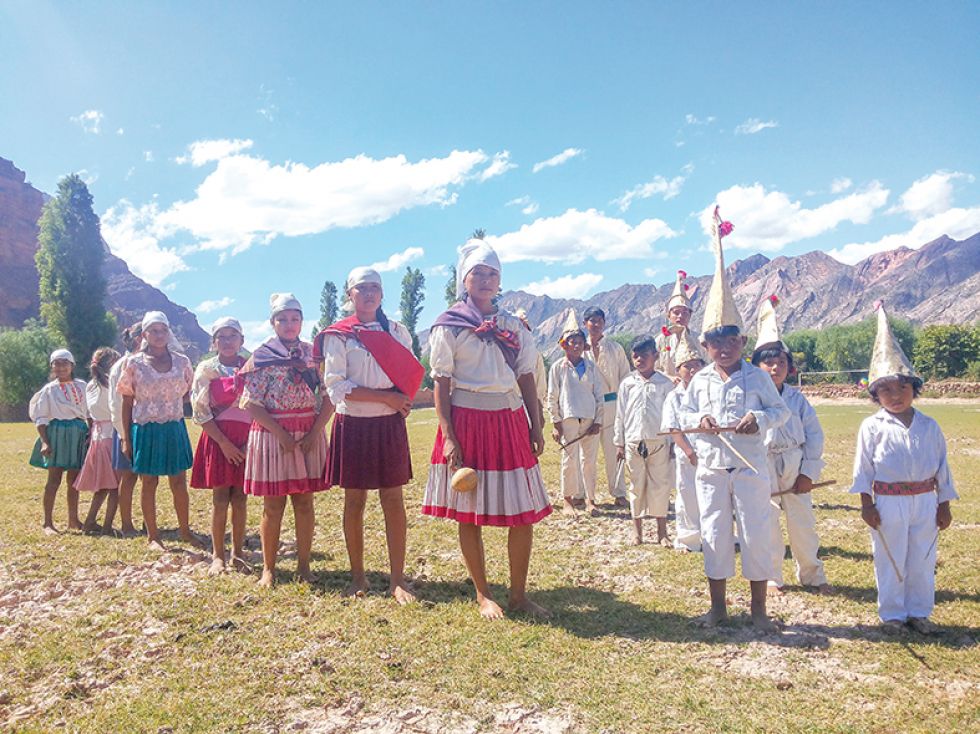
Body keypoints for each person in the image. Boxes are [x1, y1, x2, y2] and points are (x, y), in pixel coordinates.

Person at [422, 239, 552, 620]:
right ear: (465, 280)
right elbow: (441, 382)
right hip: (467, 420)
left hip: (509, 419)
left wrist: (536, 422)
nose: (484, 280)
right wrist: (448, 435)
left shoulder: (513, 326)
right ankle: (483, 593)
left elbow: (526, 376)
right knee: (469, 512)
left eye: (491, 274)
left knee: (523, 511)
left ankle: (518, 595)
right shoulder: (448, 326)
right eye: (477, 273)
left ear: (500, 281)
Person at [678, 208, 789, 631]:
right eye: (715, 342)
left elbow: (778, 412)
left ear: (742, 342)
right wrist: (702, 418)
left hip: (749, 468)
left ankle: (759, 611)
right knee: (714, 535)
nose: (723, 348)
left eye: (730, 340)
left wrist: (756, 419)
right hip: (710, 470)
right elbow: (684, 414)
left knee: (757, 534)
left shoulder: (758, 377)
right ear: (704, 345)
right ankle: (718, 608)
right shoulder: (700, 379)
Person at [315, 267, 424, 604]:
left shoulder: (396, 331)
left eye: (374, 288)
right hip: (354, 424)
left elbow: (408, 372)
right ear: (350, 295)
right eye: (361, 289)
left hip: (389, 423)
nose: (369, 294)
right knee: (355, 501)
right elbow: (336, 386)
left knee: (393, 499)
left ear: (382, 293)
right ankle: (358, 577)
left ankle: (397, 580)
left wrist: (400, 400)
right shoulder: (339, 335)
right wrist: (385, 397)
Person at [850, 303, 957, 634]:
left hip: (925, 500)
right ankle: (893, 615)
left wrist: (944, 504)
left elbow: (942, 467)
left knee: (922, 558)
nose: (895, 396)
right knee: (889, 555)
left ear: (914, 389)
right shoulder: (872, 427)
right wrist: (866, 505)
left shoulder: (929, 425)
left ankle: (919, 612)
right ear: (875, 394)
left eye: (902, 388)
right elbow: (864, 468)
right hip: (887, 501)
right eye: (885, 389)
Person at [241, 293, 333, 587]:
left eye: (295, 318)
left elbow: (329, 396)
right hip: (273, 435)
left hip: (308, 431)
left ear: (302, 321)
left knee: (304, 502)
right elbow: (252, 403)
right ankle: (269, 568)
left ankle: (303, 566)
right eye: (283, 319)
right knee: (273, 504)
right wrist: (280, 434)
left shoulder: (314, 355)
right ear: (272, 322)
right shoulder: (262, 357)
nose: (289, 324)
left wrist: (315, 432)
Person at [751, 296, 831, 595]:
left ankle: (812, 574)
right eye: (768, 362)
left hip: (794, 463)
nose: (774, 368)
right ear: (756, 367)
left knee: (803, 524)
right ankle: (773, 576)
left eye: (780, 362)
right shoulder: (751, 399)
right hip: (763, 465)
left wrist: (807, 473)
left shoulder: (798, 400)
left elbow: (815, 436)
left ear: (789, 367)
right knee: (767, 522)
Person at [118, 311, 203, 551]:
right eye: (153, 331)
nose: (158, 335)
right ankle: (153, 536)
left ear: (168, 333)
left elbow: (190, 392)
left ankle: (185, 531)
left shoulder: (182, 361)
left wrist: (169, 403)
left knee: (178, 482)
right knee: (149, 482)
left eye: (162, 330)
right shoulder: (133, 363)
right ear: (144, 334)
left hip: (174, 427)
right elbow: (126, 401)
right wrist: (126, 438)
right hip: (146, 428)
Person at [190, 317, 251, 575]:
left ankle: (238, 552)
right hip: (219, 438)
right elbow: (201, 411)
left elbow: (261, 403)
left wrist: (250, 443)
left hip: (247, 438)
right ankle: (218, 555)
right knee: (220, 497)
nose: (227, 342)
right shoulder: (206, 369)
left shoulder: (251, 367)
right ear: (214, 342)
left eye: (232, 336)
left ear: (242, 340)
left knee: (240, 497)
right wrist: (225, 444)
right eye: (222, 337)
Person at [614, 335, 675, 545]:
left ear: (656, 356)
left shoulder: (666, 384)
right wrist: (619, 443)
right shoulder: (627, 384)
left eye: (645, 355)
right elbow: (620, 414)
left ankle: (662, 531)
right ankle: (636, 531)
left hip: (658, 442)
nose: (640, 359)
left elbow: (671, 415)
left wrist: (673, 443)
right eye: (636, 355)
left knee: (660, 485)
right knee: (636, 485)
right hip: (633, 441)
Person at [547, 311, 604, 516]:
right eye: (572, 341)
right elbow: (552, 396)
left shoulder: (590, 366)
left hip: (589, 418)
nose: (576, 345)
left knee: (589, 461)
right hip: (568, 418)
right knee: (568, 460)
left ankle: (590, 500)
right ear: (564, 344)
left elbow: (599, 394)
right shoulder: (557, 368)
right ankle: (568, 500)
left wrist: (598, 420)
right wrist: (556, 422)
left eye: (580, 341)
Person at [29, 349, 89, 534]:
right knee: (54, 479)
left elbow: (89, 412)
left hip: (78, 433)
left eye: (65, 363)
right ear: (52, 366)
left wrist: (90, 432)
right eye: (57, 363)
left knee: (73, 479)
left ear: (72, 366)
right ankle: (48, 523)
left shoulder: (82, 386)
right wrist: (45, 441)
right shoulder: (48, 390)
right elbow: (41, 418)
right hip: (56, 433)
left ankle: (73, 519)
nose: (61, 367)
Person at [660, 328, 705, 552]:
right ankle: (688, 537)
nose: (693, 370)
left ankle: (713, 535)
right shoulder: (673, 395)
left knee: (711, 495)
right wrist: (688, 450)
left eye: (697, 365)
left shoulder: (709, 391)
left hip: (709, 453)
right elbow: (673, 427)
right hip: (686, 453)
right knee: (687, 494)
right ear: (679, 369)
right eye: (688, 366)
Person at [583, 306, 631, 507]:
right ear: (585, 323)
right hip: (587, 406)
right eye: (591, 320)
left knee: (614, 450)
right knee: (587, 453)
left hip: (611, 402)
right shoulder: (579, 348)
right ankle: (587, 495)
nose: (595, 324)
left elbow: (625, 376)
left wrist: (623, 405)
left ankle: (619, 492)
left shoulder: (615, 348)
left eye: (599, 321)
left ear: (604, 323)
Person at [75, 347, 123, 534]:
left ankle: (90, 521)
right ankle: (107, 526)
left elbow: (88, 413)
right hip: (113, 435)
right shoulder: (112, 385)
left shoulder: (90, 386)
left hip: (97, 436)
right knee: (115, 486)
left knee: (103, 485)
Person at [109, 322, 143, 536]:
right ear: (139, 338)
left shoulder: (146, 364)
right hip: (125, 429)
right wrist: (124, 436)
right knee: (128, 478)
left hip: (143, 427)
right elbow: (116, 403)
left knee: (149, 478)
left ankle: (148, 523)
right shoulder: (122, 365)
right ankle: (126, 524)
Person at [656, 270, 704, 381]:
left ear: (690, 315)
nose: (680, 316)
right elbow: (654, 368)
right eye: (676, 312)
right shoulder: (661, 341)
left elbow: (708, 364)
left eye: (685, 312)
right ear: (669, 315)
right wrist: (669, 377)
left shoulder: (700, 339)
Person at [514, 308, 548, 430]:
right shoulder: (503, 351)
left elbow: (539, 384)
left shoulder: (535, 355)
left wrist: (538, 412)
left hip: (528, 406)